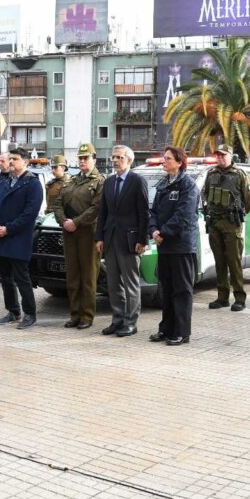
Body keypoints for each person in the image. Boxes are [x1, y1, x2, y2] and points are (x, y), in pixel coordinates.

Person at [95, 144, 149, 337]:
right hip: (110, 239)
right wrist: (99, 237)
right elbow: (104, 212)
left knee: (130, 283)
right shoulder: (109, 182)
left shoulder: (137, 181)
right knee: (113, 283)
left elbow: (144, 213)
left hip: (129, 240)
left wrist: (143, 240)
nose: (116, 161)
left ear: (129, 160)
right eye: (113, 157)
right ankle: (117, 320)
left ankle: (130, 322)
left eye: (119, 157)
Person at [149, 146, 199, 346]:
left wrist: (164, 232)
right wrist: (153, 230)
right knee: (167, 288)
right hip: (164, 245)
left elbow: (184, 215)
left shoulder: (188, 185)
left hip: (181, 245)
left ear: (179, 162)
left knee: (182, 290)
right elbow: (152, 212)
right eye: (164, 158)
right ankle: (166, 329)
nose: (164, 161)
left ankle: (181, 332)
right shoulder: (163, 185)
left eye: (168, 158)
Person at [52, 142, 104, 329]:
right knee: (72, 275)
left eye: (86, 158)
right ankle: (74, 314)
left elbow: (96, 208)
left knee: (88, 276)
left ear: (94, 159)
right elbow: (57, 203)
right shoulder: (71, 181)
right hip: (69, 232)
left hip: (88, 232)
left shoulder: (99, 181)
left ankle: (87, 316)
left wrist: (76, 222)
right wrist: (64, 221)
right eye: (80, 158)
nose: (82, 161)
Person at [0, 148, 43, 328]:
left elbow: (29, 214)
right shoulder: (5, 182)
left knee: (21, 277)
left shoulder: (32, 183)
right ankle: (13, 311)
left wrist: (8, 229)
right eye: (10, 158)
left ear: (25, 162)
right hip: (0, 237)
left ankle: (30, 313)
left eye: (15, 159)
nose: (11, 162)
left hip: (18, 237)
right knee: (5, 277)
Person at [203, 144, 250, 312]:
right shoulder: (211, 174)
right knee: (220, 262)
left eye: (223, 155)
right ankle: (222, 297)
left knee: (234, 262)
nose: (220, 158)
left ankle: (239, 298)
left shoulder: (239, 175)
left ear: (231, 156)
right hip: (215, 224)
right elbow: (205, 194)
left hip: (232, 225)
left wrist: (236, 214)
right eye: (218, 155)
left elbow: (248, 201)